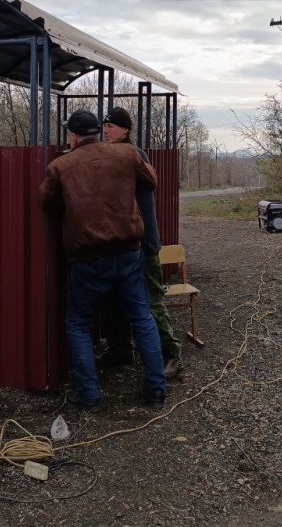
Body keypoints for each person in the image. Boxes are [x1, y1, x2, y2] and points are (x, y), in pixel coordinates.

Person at [39, 109, 167, 409]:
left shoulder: (60, 166)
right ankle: (156, 389)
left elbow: (46, 202)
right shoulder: (127, 155)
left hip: (87, 258)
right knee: (142, 316)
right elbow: (150, 182)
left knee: (78, 324)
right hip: (128, 252)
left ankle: (90, 396)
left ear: (72, 135)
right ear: (98, 131)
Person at [99, 107, 183, 379]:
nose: (107, 130)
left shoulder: (135, 156)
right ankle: (120, 349)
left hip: (143, 243)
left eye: (112, 126)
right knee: (113, 298)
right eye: (105, 126)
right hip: (120, 243)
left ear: (125, 130)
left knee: (151, 299)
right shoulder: (114, 154)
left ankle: (171, 354)